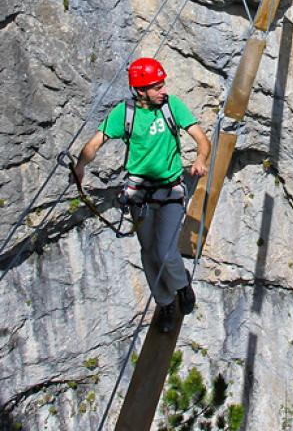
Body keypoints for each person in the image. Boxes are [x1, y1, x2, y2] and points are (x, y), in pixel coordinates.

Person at [73, 57, 210, 333]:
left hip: (171, 189)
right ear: (140, 91)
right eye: (156, 86)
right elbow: (95, 143)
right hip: (140, 195)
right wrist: (80, 166)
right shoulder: (125, 115)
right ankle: (165, 301)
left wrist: (200, 159)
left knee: (165, 249)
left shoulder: (172, 106)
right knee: (148, 252)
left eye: (162, 84)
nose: (163, 90)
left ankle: (182, 286)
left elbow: (201, 138)